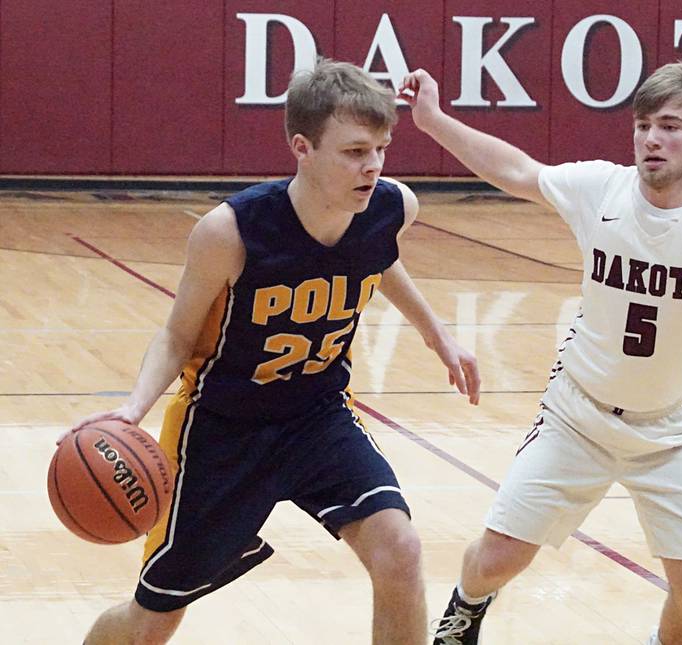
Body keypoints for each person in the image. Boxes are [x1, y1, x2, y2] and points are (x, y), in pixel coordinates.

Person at [65, 58, 480, 645]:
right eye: (355, 151)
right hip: (221, 432)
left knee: (400, 548)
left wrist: (439, 334)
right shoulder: (230, 232)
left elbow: (379, 257)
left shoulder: (391, 207)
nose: (374, 166)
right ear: (302, 147)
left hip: (319, 417)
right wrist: (132, 411)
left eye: (382, 148)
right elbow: (177, 336)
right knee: (151, 619)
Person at [399, 62, 682, 645]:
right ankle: (464, 612)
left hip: (667, 431)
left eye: (670, 126)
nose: (651, 139)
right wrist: (432, 120)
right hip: (576, 417)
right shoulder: (601, 188)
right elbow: (516, 171)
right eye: (643, 125)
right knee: (495, 561)